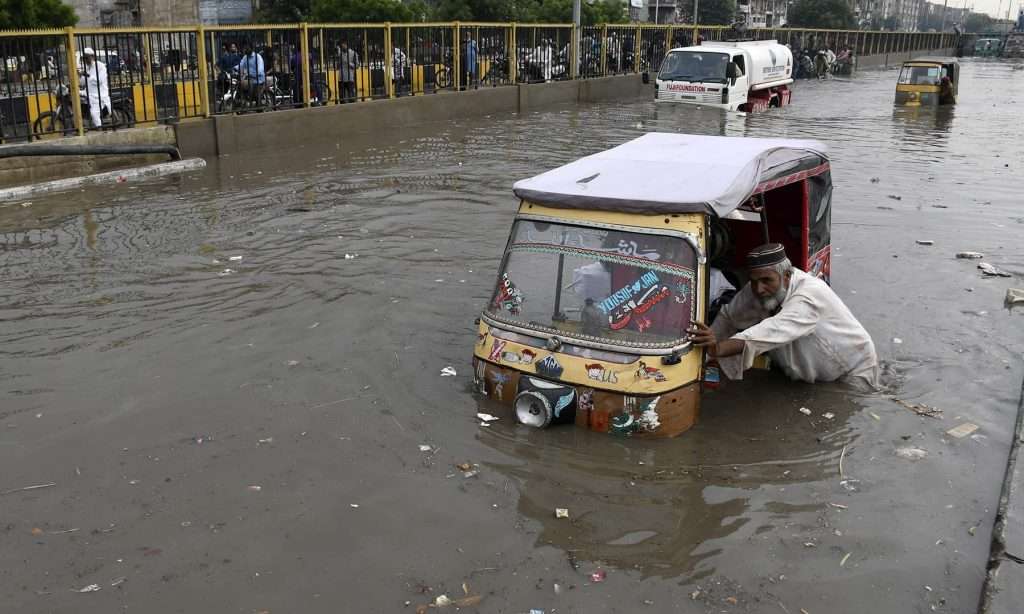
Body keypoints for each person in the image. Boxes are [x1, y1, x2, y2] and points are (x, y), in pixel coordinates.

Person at [689, 243, 879, 389]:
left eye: (766, 281)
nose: (759, 289)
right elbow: (729, 317)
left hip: (852, 370)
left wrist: (718, 348)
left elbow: (767, 333)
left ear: (787, 276)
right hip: (805, 372)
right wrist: (700, 358)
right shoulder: (756, 290)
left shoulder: (809, 297)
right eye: (754, 281)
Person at [79, 47, 111, 129]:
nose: (85, 60)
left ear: (92, 56)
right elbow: (83, 82)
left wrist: (87, 75)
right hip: (89, 93)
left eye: (87, 58)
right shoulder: (87, 68)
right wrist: (80, 76)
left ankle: (99, 128)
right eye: (84, 58)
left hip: (99, 95)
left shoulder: (100, 66)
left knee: (94, 113)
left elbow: (99, 81)